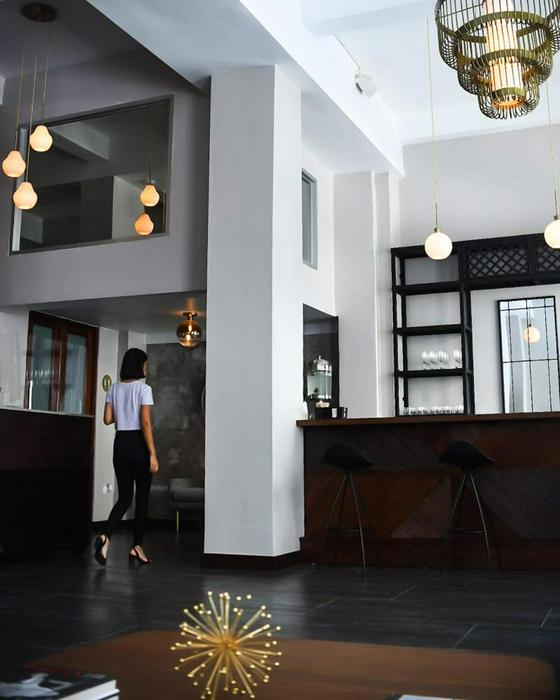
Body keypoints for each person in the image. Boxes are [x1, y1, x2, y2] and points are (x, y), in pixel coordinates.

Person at [94, 348, 159, 566]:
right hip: (138, 444)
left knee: (124, 498)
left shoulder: (113, 388)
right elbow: (145, 422)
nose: (146, 368)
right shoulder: (144, 389)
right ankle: (136, 547)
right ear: (139, 365)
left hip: (120, 443)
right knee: (142, 498)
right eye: (145, 364)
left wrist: (123, 410)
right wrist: (152, 454)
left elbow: (107, 419)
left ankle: (106, 536)